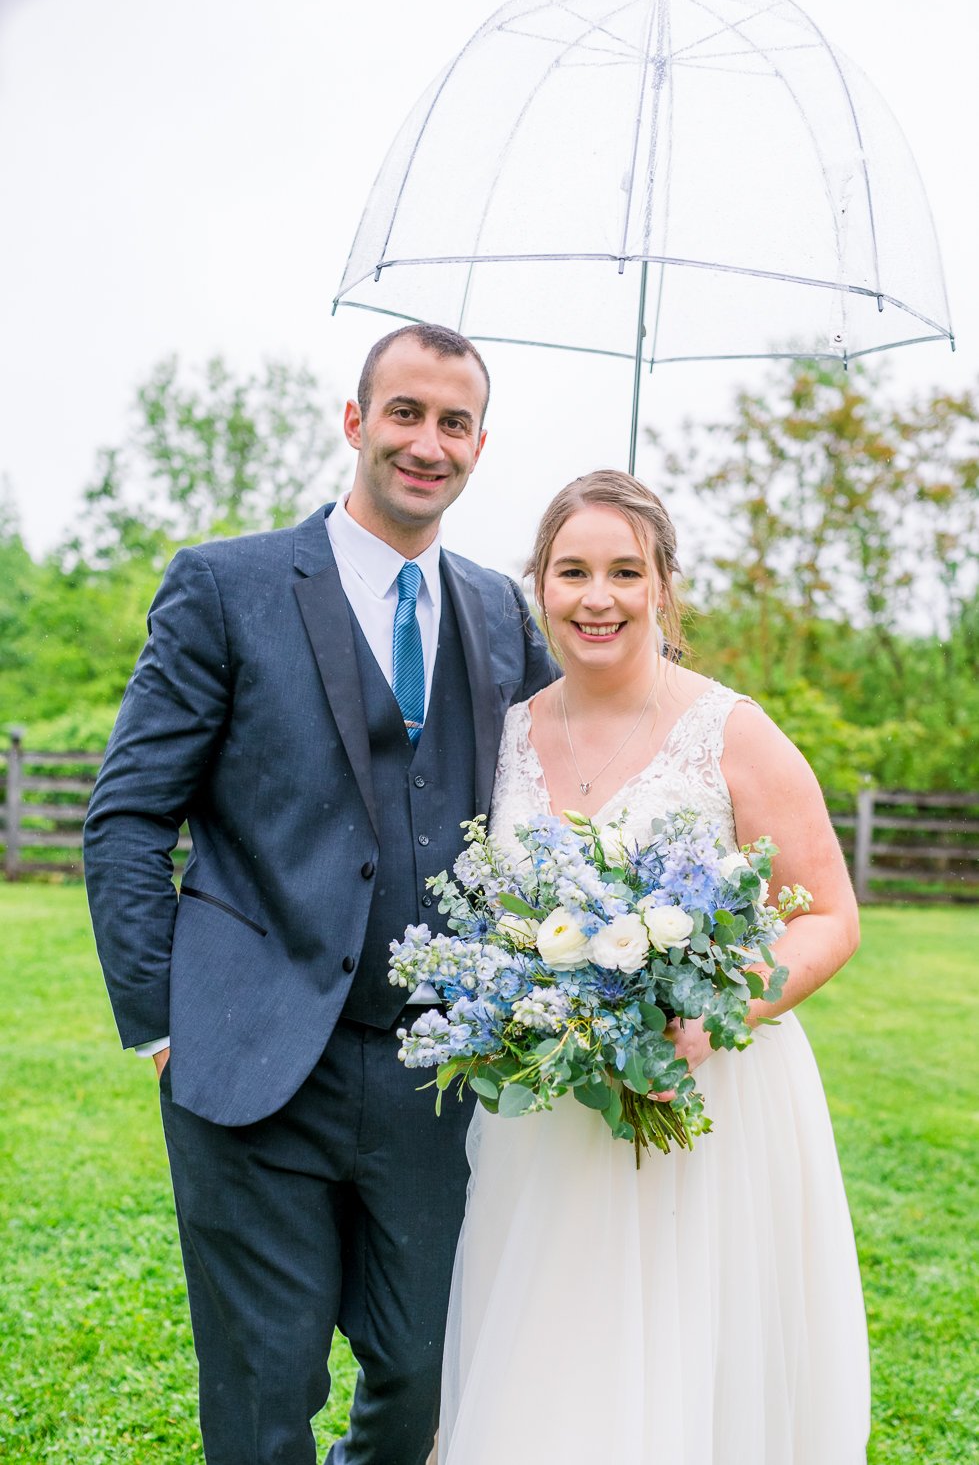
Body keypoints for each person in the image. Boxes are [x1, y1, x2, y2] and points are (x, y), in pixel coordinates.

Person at [83, 322, 556, 1465]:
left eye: (453, 422)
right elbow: (129, 812)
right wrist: (162, 1021)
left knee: (424, 1366)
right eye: (405, 412)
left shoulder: (502, 611)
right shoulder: (225, 586)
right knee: (264, 1381)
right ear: (356, 421)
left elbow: (567, 791)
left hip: (442, 1070)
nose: (426, 442)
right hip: (247, 1058)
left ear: (479, 444)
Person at [436, 470, 870, 1465]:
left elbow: (830, 915)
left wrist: (712, 1007)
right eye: (573, 570)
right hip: (548, 1116)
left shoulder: (732, 730)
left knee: (688, 1357)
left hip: (706, 1095)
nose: (598, 596)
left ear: (663, 585)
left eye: (625, 571)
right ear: (538, 585)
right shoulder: (504, 737)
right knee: (547, 1353)